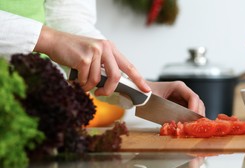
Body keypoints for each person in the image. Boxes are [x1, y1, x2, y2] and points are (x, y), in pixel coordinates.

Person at [0, 0, 205, 115]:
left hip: (33, 107)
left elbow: (68, 18)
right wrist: (49, 39)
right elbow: (58, 38)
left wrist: (139, 88)